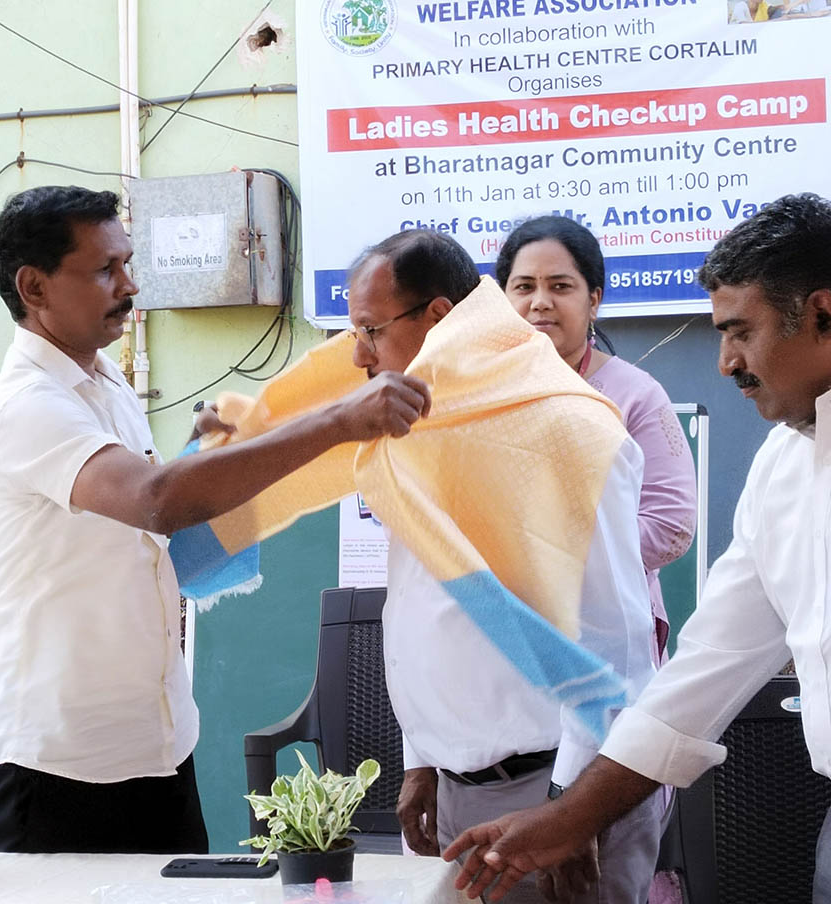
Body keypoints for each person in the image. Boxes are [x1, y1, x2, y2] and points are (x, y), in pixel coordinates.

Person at [0, 185, 431, 855]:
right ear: (33, 286)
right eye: (105, 270)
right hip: (58, 764)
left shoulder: (104, 382)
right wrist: (335, 421)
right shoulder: (24, 406)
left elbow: (144, 525)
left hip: (158, 744)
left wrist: (207, 452)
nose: (130, 285)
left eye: (127, 262)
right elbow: (156, 500)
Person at [443, 193, 831, 903]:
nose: (725, 363)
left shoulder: (626, 402)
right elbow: (702, 672)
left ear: (823, 313)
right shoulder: (781, 467)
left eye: (740, 332)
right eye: (521, 288)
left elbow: (659, 540)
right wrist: (568, 817)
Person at [349, 229, 662, 903]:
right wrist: (424, 760)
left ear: (436, 318)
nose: (358, 355)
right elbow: (419, 611)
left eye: (371, 329)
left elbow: (614, 639)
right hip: (464, 792)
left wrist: (572, 808)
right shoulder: (418, 435)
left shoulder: (563, 429)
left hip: (555, 792)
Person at [496, 216, 697, 667]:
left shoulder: (635, 396)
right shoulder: (478, 394)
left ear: (594, 300)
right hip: (504, 647)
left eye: (560, 286)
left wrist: (554, 554)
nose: (540, 302)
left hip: (609, 647)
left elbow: (671, 529)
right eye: (523, 287)